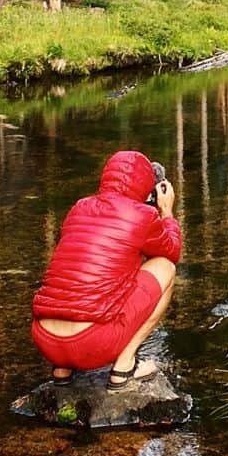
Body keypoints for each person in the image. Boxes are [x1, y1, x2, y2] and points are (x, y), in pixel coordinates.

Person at [31, 150, 182, 390]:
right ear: (145, 186)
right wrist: (166, 213)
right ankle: (124, 367)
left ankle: (62, 369)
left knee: (83, 274)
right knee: (165, 267)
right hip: (90, 344)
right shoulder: (143, 214)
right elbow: (171, 251)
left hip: (45, 339)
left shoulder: (79, 207)